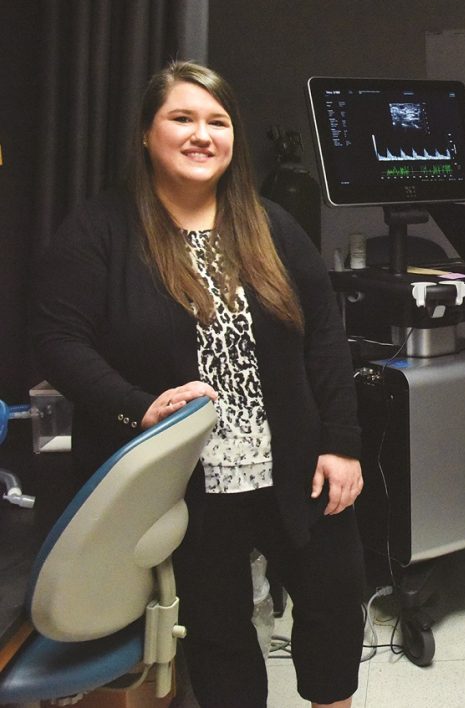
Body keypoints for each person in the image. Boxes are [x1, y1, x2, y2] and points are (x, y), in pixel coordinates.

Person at [33, 61, 365, 708]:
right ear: (145, 134)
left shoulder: (270, 226)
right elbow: (58, 342)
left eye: (217, 121)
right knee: (217, 632)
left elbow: (325, 332)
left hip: (295, 465)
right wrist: (135, 406)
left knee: (333, 604)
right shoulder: (101, 231)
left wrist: (343, 441)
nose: (201, 134)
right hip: (186, 484)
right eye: (181, 118)